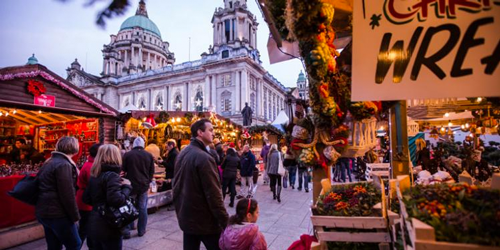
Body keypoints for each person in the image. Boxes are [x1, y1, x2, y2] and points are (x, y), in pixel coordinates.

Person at [173, 119, 229, 250]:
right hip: (204, 221)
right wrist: (225, 221)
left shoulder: (183, 153)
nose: (213, 133)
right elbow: (214, 195)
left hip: (187, 216)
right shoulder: (204, 158)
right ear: (200, 132)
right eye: (210, 130)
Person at [35, 136, 82, 250]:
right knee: (74, 244)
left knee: (54, 245)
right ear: (74, 147)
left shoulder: (50, 161)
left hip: (45, 210)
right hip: (57, 213)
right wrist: (75, 216)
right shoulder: (63, 164)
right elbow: (67, 194)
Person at [83, 144, 133, 250]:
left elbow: (86, 198)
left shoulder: (94, 175)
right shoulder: (113, 176)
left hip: (94, 221)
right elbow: (116, 200)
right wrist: (127, 187)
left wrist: (99, 203)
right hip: (109, 224)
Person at [121, 137, 154, 238]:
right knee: (142, 208)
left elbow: (123, 170)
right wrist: (148, 182)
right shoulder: (149, 155)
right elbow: (151, 172)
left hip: (130, 186)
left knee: (128, 207)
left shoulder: (128, 154)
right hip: (143, 186)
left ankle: (127, 230)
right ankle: (141, 230)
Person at [76, 143, 102, 249]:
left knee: (86, 228)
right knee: (85, 229)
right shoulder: (92, 166)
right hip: (87, 202)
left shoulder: (89, 164)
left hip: (84, 200)